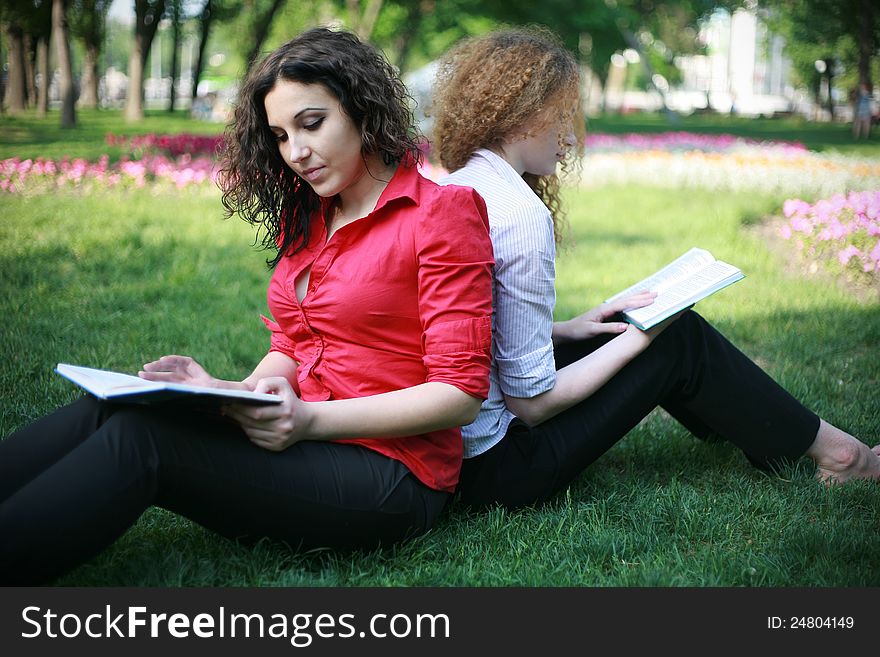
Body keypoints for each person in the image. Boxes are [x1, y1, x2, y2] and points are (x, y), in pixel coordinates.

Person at [0, 27, 494, 584]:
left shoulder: (442, 215)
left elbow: (458, 395)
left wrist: (307, 421)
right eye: (281, 135)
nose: (296, 152)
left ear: (362, 107)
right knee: (119, 408)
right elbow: (296, 342)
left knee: (145, 442)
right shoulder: (312, 215)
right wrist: (227, 392)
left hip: (394, 475)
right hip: (302, 432)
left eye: (311, 124)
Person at [430, 28, 880, 511]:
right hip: (501, 467)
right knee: (674, 337)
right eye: (561, 116)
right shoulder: (520, 214)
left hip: (455, 448)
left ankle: (756, 426)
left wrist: (580, 325)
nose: (569, 137)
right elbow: (532, 404)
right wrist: (639, 340)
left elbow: (475, 330)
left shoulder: (457, 183)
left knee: (629, 327)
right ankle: (842, 457)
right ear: (519, 117)